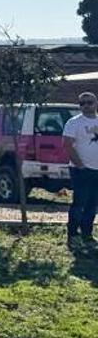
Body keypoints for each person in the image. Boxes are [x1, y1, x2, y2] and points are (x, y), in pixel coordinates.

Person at [65, 91, 98, 243]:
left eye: (89, 102)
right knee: (79, 203)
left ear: (95, 103)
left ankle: (87, 233)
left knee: (93, 203)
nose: (85, 105)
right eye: (82, 103)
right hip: (80, 170)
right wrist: (80, 165)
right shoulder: (74, 122)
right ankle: (73, 234)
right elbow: (67, 145)